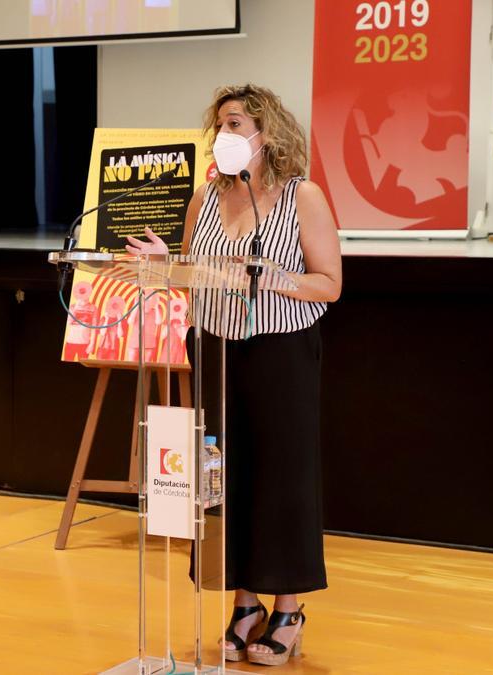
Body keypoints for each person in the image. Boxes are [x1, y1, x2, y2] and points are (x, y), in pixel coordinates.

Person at [126, 83, 342, 666]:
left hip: (282, 350)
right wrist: (162, 267)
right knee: (227, 476)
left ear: (266, 135)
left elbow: (330, 283)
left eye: (237, 123)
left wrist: (273, 276)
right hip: (217, 349)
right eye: (221, 124)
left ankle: (289, 607)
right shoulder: (203, 200)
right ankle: (244, 603)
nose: (226, 134)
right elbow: (197, 276)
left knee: (282, 477)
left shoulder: (304, 197)